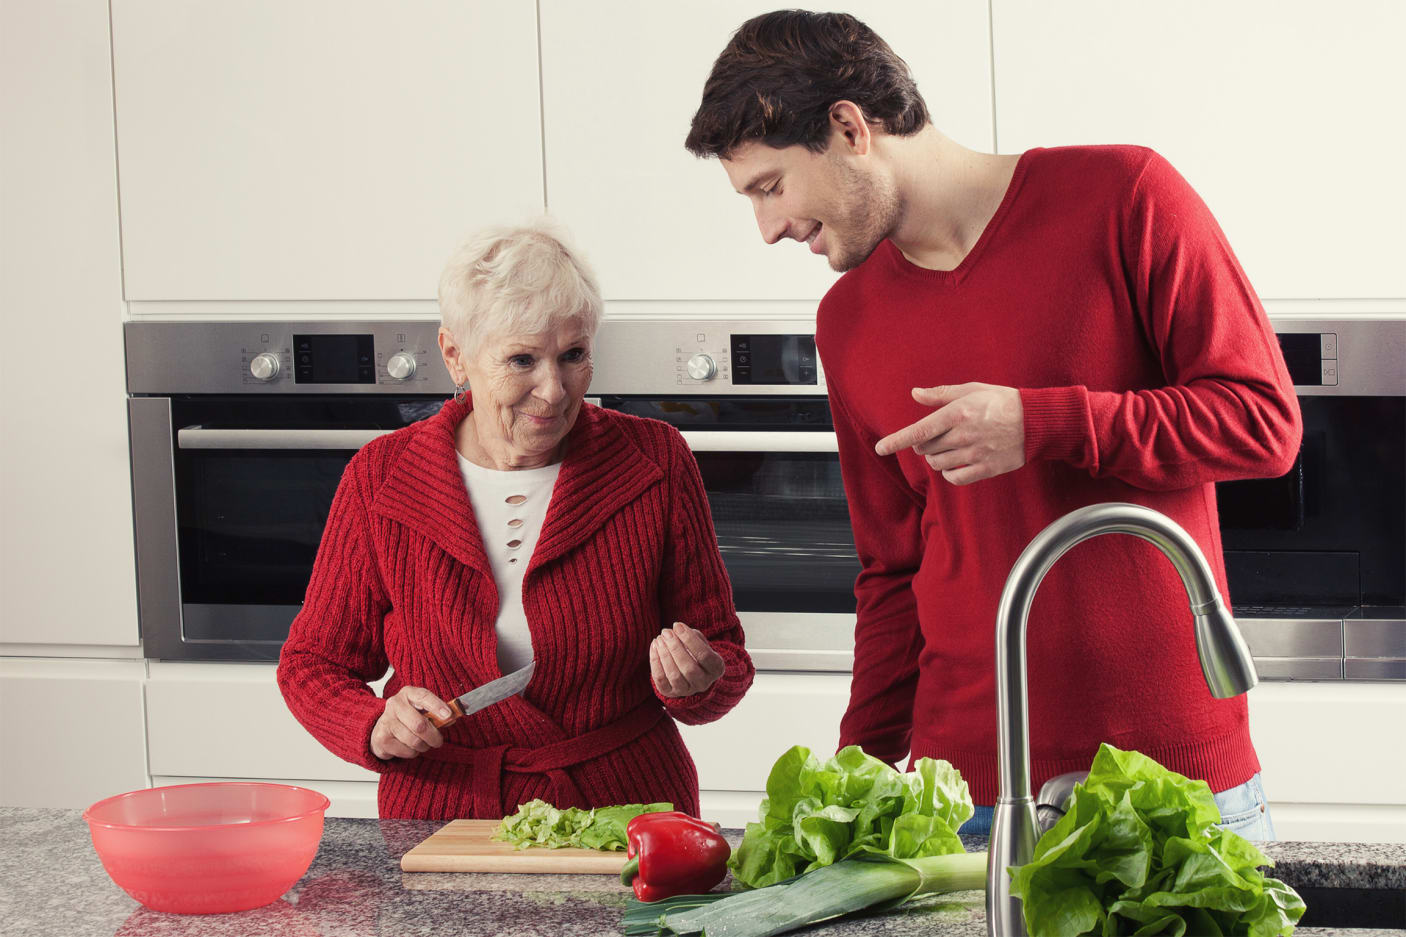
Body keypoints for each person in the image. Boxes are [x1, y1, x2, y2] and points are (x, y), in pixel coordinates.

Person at [685, 10, 1300, 839]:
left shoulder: (1125, 196)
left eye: (770, 186)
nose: (768, 227)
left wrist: (1042, 421)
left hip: (1175, 783)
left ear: (848, 128)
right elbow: (892, 574)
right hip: (969, 794)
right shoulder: (848, 321)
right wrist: (853, 778)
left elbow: (1262, 423)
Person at [278, 221, 754, 819]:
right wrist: (373, 725)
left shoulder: (655, 461)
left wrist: (699, 680)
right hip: (443, 814)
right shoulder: (381, 476)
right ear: (456, 355)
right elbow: (313, 664)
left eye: (573, 356)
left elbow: (724, 653)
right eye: (522, 359)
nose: (553, 391)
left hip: (627, 808)